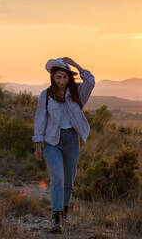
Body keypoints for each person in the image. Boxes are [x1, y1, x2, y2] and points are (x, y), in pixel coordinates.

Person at [32, 57, 95, 233]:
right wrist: (38, 145)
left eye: (65, 77)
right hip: (52, 141)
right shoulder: (45, 96)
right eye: (58, 77)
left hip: (71, 141)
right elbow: (40, 120)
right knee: (57, 179)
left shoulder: (77, 93)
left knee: (68, 181)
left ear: (69, 78)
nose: (61, 81)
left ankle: (64, 212)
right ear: (53, 77)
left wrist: (75, 64)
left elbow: (90, 80)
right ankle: (56, 218)